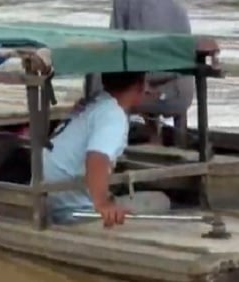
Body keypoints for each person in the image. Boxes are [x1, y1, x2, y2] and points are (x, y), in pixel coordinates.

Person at [44, 71, 171, 226]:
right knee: (162, 201)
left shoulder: (93, 102)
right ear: (140, 86)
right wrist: (102, 204)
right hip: (73, 208)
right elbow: (97, 157)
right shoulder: (113, 115)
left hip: (47, 198)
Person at [89, 0, 194, 128]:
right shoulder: (178, 7)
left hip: (145, 93)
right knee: (144, 68)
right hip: (182, 95)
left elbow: (114, 47)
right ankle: (158, 136)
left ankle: (105, 137)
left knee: (97, 74)